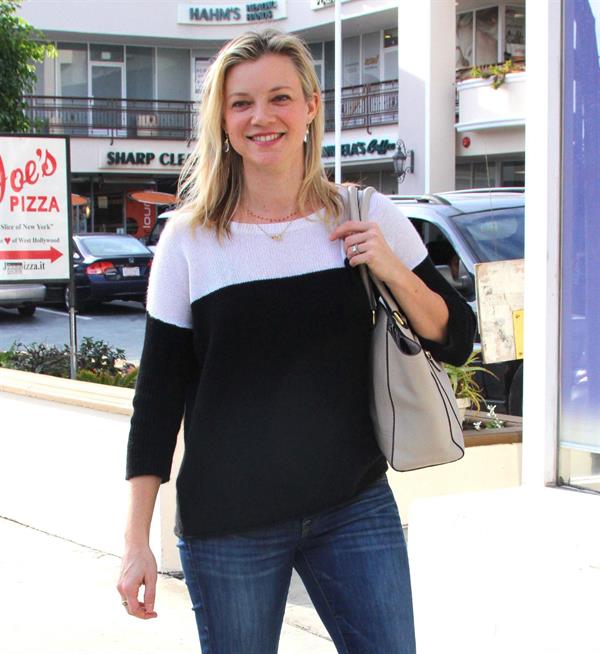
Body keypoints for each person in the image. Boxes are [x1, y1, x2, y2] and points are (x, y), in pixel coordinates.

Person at [117, 29, 475, 654]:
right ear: (222, 120)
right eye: (241, 103)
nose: (262, 117)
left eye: (280, 97)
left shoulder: (363, 212)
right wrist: (135, 542)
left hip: (352, 506)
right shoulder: (189, 241)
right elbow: (156, 403)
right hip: (230, 526)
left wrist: (390, 267)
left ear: (311, 107)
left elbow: (457, 338)